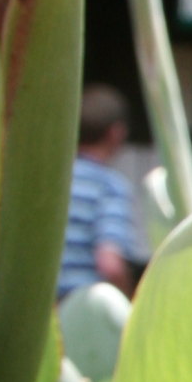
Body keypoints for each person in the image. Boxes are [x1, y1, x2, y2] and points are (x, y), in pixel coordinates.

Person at [59, 84, 149, 298]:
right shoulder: (108, 187)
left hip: (44, 311)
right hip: (83, 307)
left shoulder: (55, 181)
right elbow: (110, 264)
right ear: (116, 133)